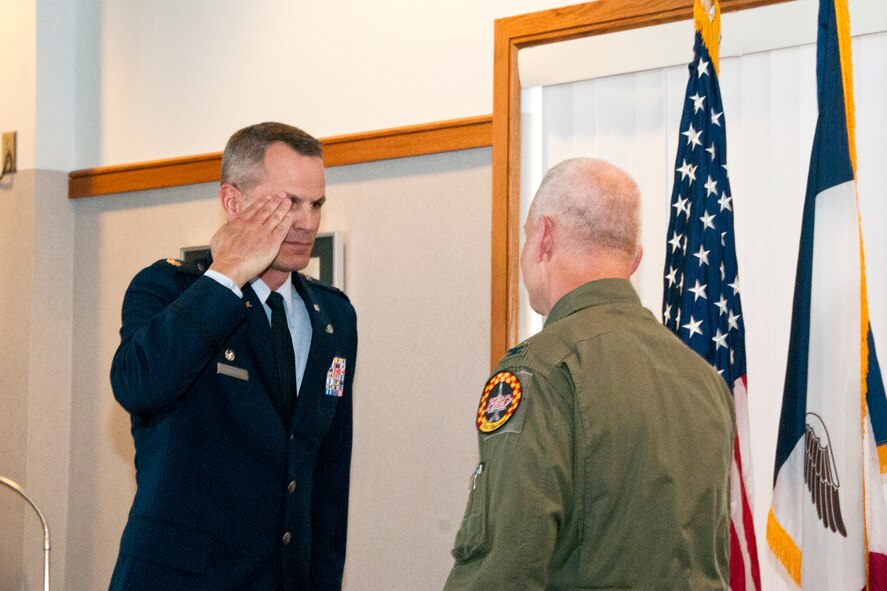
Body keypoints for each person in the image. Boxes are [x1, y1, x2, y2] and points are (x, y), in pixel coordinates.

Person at [444, 158, 735, 590]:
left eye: (526, 236)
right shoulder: (704, 380)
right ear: (634, 259)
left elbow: (506, 568)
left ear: (543, 238)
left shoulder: (541, 372)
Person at [109, 122, 357, 591]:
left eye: (316, 204)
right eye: (288, 203)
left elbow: (328, 481)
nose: (306, 221)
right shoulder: (168, 291)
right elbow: (138, 384)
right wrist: (225, 277)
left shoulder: (334, 317)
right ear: (232, 202)